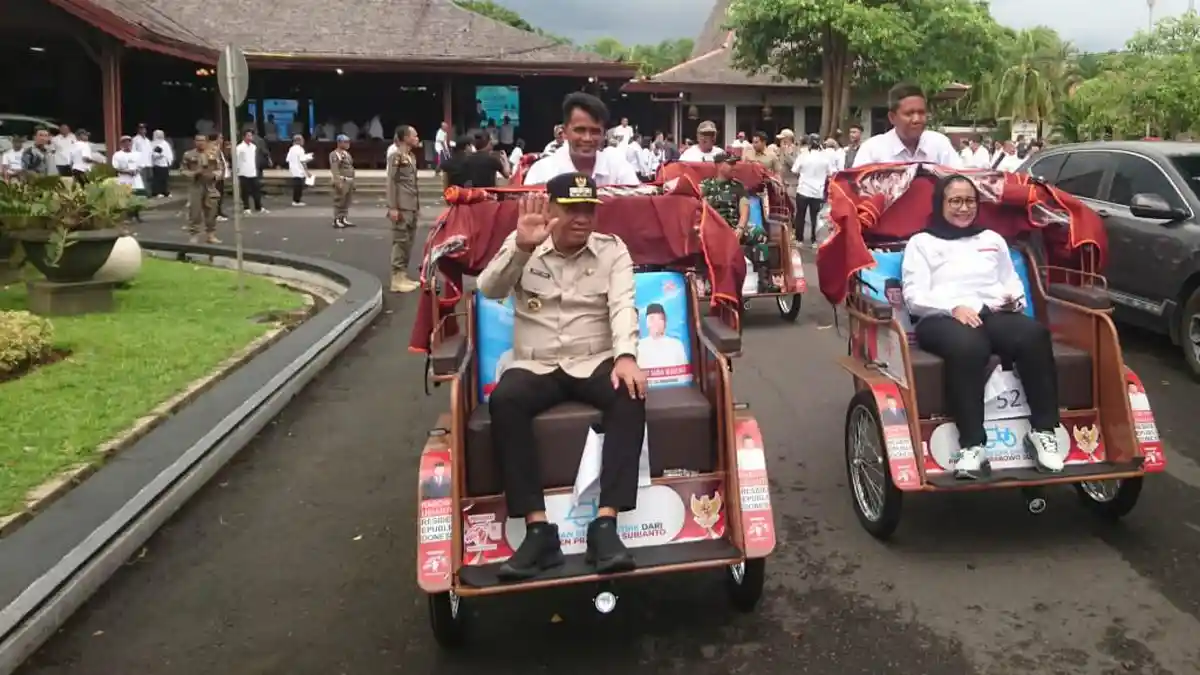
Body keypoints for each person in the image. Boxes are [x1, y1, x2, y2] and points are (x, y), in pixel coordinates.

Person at [479, 172, 646, 580]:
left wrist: (626, 355)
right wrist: (521, 247)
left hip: (593, 359)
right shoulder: (523, 243)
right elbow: (488, 289)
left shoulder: (611, 251)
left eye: (588, 209)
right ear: (550, 209)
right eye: (572, 209)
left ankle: (606, 524)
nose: (582, 218)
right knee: (505, 401)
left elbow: (623, 305)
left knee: (630, 394)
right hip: (537, 364)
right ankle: (538, 530)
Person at [901, 174, 1063, 480]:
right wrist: (953, 308)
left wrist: (1012, 300)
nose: (964, 208)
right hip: (942, 318)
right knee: (969, 346)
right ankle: (973, 445)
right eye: (955, 201)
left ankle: (1044, 432)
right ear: (940, 204)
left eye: (970, 201)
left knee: (1034, 336)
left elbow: (1009, 281)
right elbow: (914, 296)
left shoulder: (991, 239)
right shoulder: (921, 243)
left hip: (992, 313)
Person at [523, 92, 639, 186]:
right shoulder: (542, 171)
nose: (587, 138)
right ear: (564, 132)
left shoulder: (618, 167)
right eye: (580, 130)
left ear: (604, 134)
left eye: (595, 131)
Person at [852, 84, 961, 168]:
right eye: (909, 114)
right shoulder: (872, 150)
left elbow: (961, 181)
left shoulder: (939, 144)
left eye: (921, 112)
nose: (917, 119)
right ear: (892, 118)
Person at [386, 125, 422, 293]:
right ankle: (396, 278)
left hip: (411, 205)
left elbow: (413, 183)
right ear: (405, 138)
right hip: (400, 205)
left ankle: (403, 275)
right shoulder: (395, 157)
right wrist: (392, 206)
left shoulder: (411, 157)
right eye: (414, 135)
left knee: (408, 242)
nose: (416, 138)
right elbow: (391, 182)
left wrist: (417, 206)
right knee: (400, 242)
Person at [792, 134, 833, 247]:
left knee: (800, 215)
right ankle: (814, 240)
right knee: (814, 216)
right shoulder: (825, 157)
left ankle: (799, 239)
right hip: (818, 192)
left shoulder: (803, 156)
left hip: (803, 190)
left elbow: (794, 170)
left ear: (809, 143)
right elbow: (830, 173)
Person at [180, 134, 220, 244]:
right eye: (198, 140)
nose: (200, 142)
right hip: (196, 185)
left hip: (210, 185)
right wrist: (193, 173)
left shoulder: (213, 154)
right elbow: (182, 170)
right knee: (195, 211)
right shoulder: (188, 155)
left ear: (206, 142)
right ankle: (194, 235)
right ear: (194, 141)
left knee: (212, 210)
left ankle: (211, 235)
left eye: (202, 140)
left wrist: (215, 176)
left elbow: (221, 168)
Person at [636, 303, 688, 370]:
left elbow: (684, 371)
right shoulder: (639, 346)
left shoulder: (676, 345)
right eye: (652, 319)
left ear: (665, 322)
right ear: (647, 323)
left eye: (660, 319)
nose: (656, 322)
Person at [235, 130, 266, 214]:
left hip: (253, 171)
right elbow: (239, 160)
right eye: (248, 135)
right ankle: (246, 208)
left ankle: (258, 207)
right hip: (243, 172)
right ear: (244, 137)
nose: (250, 137)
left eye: (251, 136)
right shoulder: (239, 148)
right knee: (245, 191)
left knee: (256, 190)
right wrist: (237, 170)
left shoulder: (253, 147)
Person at [329, 134, 355, 229]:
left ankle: (343, 217)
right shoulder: (335, 154)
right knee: (339, 201)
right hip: (342, 179)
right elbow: (335, 169)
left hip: (349, 180)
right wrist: (337, 181)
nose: (348, 144)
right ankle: (336, 219)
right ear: (339, 142)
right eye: (345, 142)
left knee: (347, 201)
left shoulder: (347, 154)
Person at [286, 135, 312, 206]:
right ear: (298, 141)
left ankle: (296, 200)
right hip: (299, 169)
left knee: (297, 185)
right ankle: (296, 201)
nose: (303, 142)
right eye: (302, 140)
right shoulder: (300, 149)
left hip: (293, 169)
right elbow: (303, 161)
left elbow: (287, 159)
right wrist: (307, 171)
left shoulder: (291, 149)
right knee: (298, 186)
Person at [149, 130, 173, 197]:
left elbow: (169, 153)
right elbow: (152, 154)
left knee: (164, 179)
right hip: (157, 164)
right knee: (157, 179)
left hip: (165, 164)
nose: (160, 136)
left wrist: (169, 161)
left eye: (161, 134)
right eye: (158, 134)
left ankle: (165, 191)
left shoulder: (165, 143)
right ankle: (157, 192)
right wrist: (158, 155)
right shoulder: (152, 143)